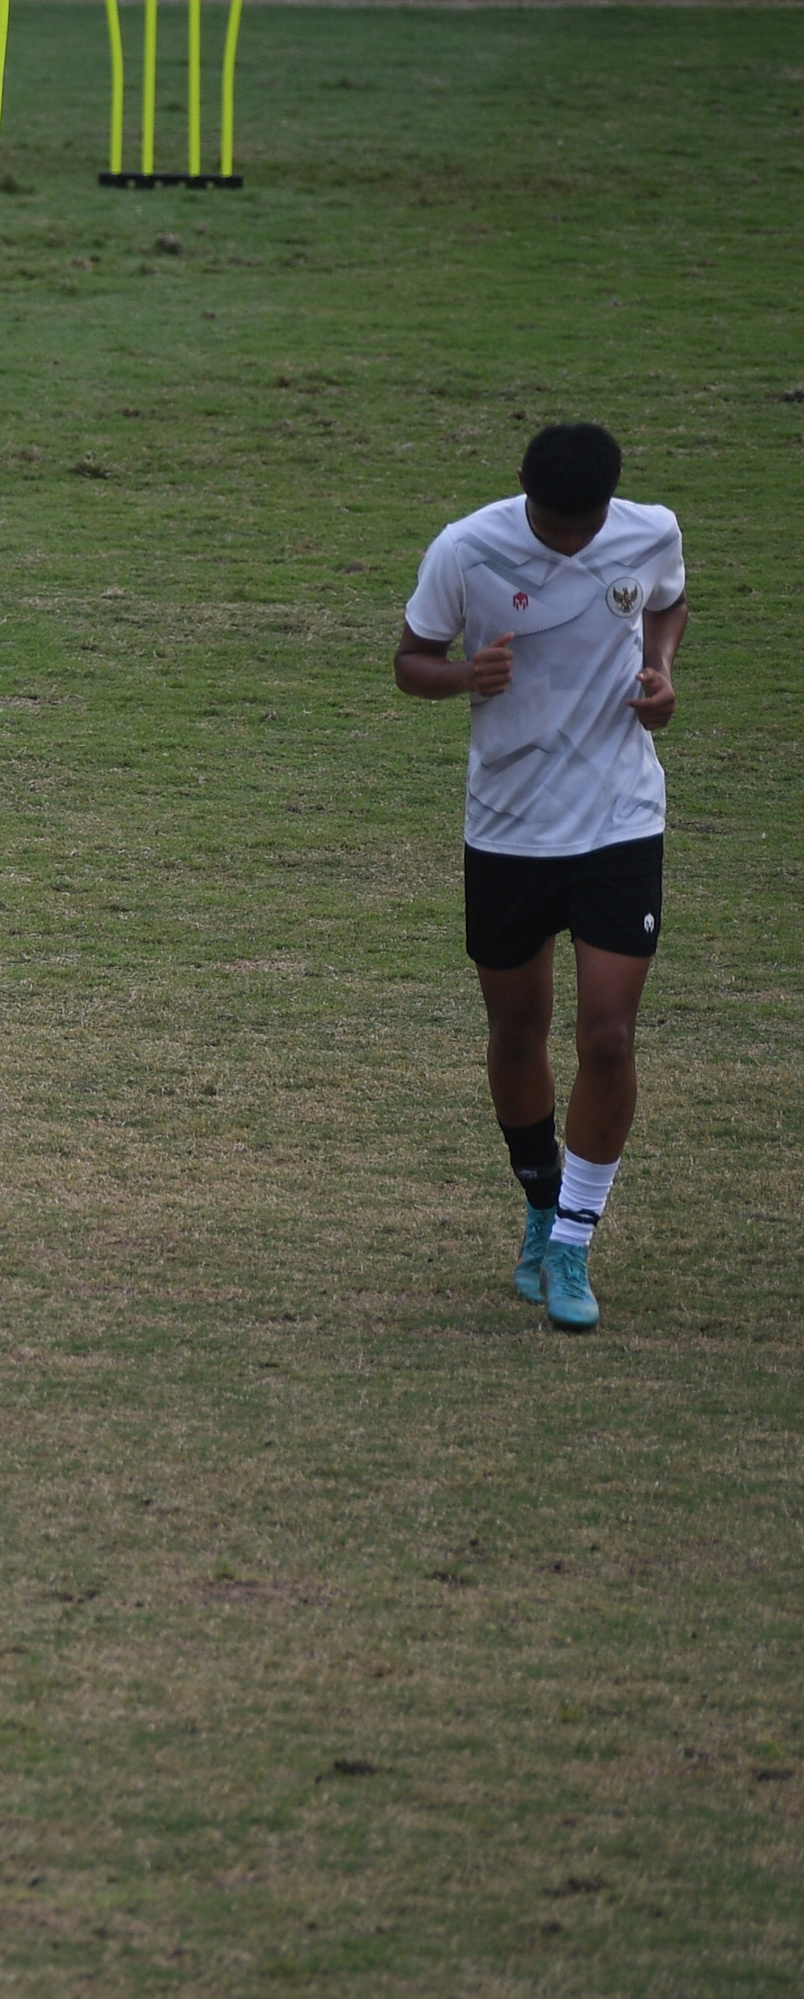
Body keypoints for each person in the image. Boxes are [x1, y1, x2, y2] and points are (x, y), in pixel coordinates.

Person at [393, 422, 687, 1334]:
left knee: (607, 1037)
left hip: (619, 820)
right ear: (526, 497)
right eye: (555, 525)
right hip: (510, 831)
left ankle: (572, 1237)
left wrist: (662, 669)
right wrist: (462, 679)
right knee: (517, 1031)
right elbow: (409, 662)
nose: (569, 541)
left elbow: (669, 603)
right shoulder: (468, 547)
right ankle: (538, 1198)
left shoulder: (649, 531)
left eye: (584, 527)